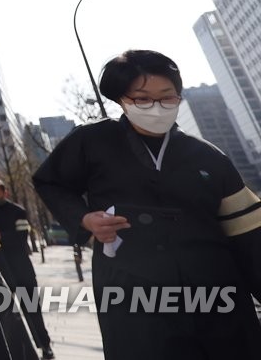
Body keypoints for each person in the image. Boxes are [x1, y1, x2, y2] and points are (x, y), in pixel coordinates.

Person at [33, 49, 261, 359]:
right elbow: (50, 182)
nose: (156, 107)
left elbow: (249, 235)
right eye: (142, 99)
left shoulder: (210, 157)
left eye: (167, 97)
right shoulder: (90, 141)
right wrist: (85, 220)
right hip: (132, 292)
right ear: (121, 100)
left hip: (217, 290)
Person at [0, 179, 54, 359]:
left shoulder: (18, 211)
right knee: (6, 314)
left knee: (32, 308)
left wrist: (1, 236)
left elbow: (22, 237)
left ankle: (45, 345)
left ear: (5, 192)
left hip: (21, 267)